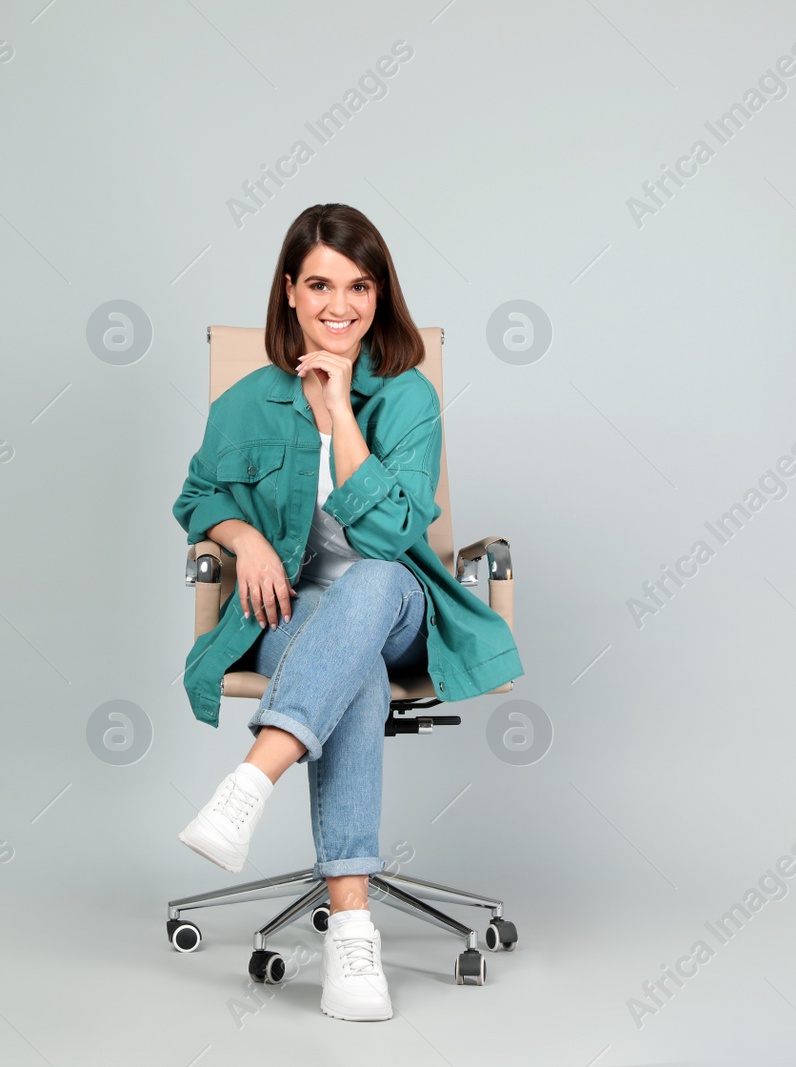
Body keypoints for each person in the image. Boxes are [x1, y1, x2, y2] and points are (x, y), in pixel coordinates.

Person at [171, 203, 523, 1021]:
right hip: (292, 612)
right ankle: (352, 932)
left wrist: (337, 414)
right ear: (290, 291)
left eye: (360, 286)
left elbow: (397, 531)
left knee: (370, 587)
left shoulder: (407, 397)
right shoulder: (248, 400)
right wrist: (243, 541)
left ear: (379, 293)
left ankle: (250, 780)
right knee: (348, 662)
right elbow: (199, 493)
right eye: (321, 284)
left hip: (400, 607)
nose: (341, 304)